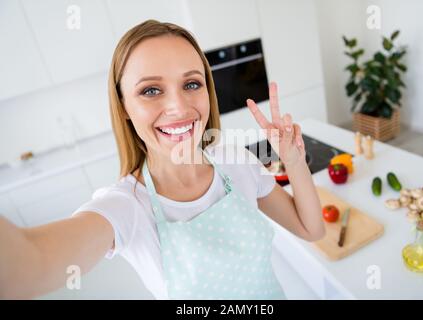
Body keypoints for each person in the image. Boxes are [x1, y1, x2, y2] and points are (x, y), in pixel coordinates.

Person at [0, 20, 325, 300]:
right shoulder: (126, 207)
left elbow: (311, 229)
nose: (179, 107)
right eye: (151, 90)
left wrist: (293, 159)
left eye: (192, 84)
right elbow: (31, 265)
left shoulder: (235, 162)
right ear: (124, 107)